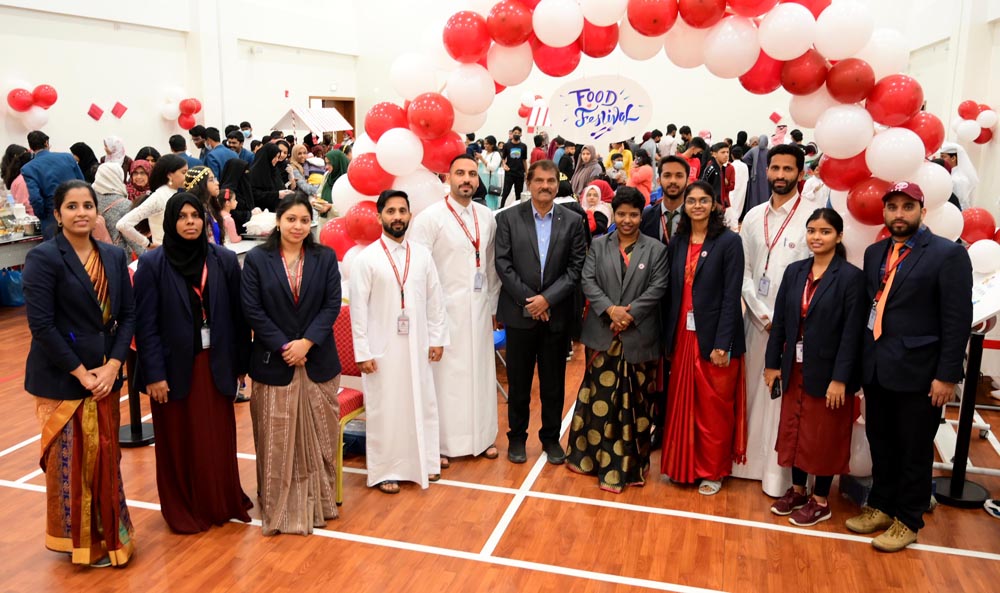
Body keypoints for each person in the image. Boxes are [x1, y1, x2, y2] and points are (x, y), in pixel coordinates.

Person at [845, 181, 973, 552]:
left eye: (907, 207)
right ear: (884, 212)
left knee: (914, 449)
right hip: (878, 368)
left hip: (921, 372)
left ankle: (908, 519)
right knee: (881, 442)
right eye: (893, 207)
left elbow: (956, 319)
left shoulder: (947, 255)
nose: (899, 214)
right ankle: (882, 506)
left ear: (922, 211)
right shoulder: (875, 253)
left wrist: (947, 375)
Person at [22, 180, 136, 567]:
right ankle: (80, 544)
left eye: (88, 205)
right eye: (72, 206)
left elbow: (128, 316)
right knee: (72, 466)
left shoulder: (113, 256)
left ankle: (111, 536)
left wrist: (113, 365)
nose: (82, 212)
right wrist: (82, 373)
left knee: (106, 458)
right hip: (63, 380)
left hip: (106, 377)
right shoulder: (44, 258)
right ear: (57, 214)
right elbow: (41, 325)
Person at [133, 192, 253, 534]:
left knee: (215, 438)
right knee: (179, 441)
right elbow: (146, 324)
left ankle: (221, 500)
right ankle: (185, 505)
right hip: (172, 372)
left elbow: (238, 317)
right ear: (171, 221)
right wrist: (154, 374)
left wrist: (239, 365)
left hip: (215, 365)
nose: (190, 222)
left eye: (196, 216)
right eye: (182, 216)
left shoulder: (223, 260)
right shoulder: (153, 264)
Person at [241, 192, 344, 533]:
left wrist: (306, 343)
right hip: (275, 361)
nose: (297, 226)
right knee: (276, 440)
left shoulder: (325, 257)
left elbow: (331, 305)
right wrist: (287, 346)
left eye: (303, 220)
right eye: (291, 219)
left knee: (322, 438)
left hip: (318, 361)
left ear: (310, 223)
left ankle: (321, 502)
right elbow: (252, 309)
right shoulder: (257, 259)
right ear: (278, 221)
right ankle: (279, 506)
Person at [763, 208, 865, 526]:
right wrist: (772, 365)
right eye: (811, 231)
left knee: (824, 436)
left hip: (830, 373)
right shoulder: (795, 272)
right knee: (795, 429)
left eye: (824, 231)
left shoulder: (851, 278)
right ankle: (797, 490)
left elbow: (852, 334)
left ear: (839, 236)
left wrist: (840, 380)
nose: (816, 237)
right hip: (794, 367)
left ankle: (820, 500)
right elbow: (780, 322)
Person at [565, 186, 668, 492]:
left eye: (633, 214)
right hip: (601, 334)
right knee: (597, 399)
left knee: (635, 404)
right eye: (621, 213)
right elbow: (588, 280)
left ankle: (630, 466)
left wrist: (628, 314)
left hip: (639, 337)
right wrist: (610, 310)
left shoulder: (656, 250)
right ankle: (590, 460)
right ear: (615, 213)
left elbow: (658, 287)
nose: (627, 220)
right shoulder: (598, 246)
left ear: (641, 215)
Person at [350, 189, 448, 493]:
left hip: (418, 345)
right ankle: (385, 470)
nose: (397, 217)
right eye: (390, 211)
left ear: (410, 215)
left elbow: (435, 301)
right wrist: (363, 352)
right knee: (385, 409)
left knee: (424, 403)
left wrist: (437, 338)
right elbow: (357, 311)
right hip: (382, 350)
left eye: (402, 211)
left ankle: (426, 463)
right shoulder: (366, 259)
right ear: (379, 216)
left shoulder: (422, 255)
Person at [409, 155, 501, 465]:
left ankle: (483, 437)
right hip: (442, 312)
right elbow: (417, 272)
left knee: (481, 375)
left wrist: (493, 307)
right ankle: (443, 444)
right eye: (460, 173)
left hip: (478, 310)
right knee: (446, 379)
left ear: (478, 179)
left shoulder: (487, 216)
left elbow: (489, 266)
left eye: (472, 174)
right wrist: (424, 315)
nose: (466, 179)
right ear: (447, 178)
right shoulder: (428, 218)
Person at [732, 144, 813, 497]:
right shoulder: (752, 216)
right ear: (766, 171)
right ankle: (744, 463)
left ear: (801, 172)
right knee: (751, 391)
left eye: (788, 169)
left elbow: (815, 275)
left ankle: (778, 477)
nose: (780, 175)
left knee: (784, 401)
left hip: (796, 326)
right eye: (775, 168)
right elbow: (744, 272)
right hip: (755, 320)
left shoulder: (813, 216)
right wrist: (763, 315)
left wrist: (784, 321)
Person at [495, 160, 586, 464]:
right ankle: (517, 439)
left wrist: (547, 300)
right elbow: (503, 265)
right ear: (529, 184)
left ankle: (550, 439)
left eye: (551, 181)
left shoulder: (572, 221)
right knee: (519, 384)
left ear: (557, 184)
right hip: (520, 315)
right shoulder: (507, 218)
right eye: (539, 181)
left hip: (556, 316)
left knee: (553, 384)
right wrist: (530, 301)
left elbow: (576, 269)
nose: (545, 186)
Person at [661, 181, 747, 496]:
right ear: (684, 205)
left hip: (714, 339)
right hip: (683, 336)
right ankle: (682, 467)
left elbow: (730, 295)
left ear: (714, 205)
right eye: (691, 200)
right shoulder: (679, 241)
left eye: (703, 200)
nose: (697, 205)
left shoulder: (728, 242)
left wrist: (723, 344)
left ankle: (712, 470)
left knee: (713, 410)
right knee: (682, 406)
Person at [116, 154, 188, 253]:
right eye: (184, 172)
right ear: (170, 175)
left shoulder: (175, 193)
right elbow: (123, 224)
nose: (187, 176)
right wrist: (146, 244)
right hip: (164, 255)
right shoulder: (159, 197)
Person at [21, 131, 85, 238]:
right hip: (77, 212)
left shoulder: (28, 168)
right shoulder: (68, 157)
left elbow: (35, 198)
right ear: (46, 143)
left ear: (30, 147)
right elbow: (82, 183)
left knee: (54, 252)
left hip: (51, 217)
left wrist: (43, 215)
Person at [92, 162, 131, 250]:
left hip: (91, 252)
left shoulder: (88, 198)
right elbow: (132, 238)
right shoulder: (124, 204)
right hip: (117, 254)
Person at [183, 166, 225, 244]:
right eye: (211, 180)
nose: (217, 183)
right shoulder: (197, 211)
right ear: (201, 185)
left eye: (215, 179)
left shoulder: (210, 207)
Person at [249, 143, 293, 211]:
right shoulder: (254, 173)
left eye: (278, 157)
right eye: (274, 157)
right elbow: (255, 195)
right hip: (262, 211)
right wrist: (277, 195)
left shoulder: (274, 170)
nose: (276, 160)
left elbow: (279, 186)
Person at [220, 158, 255, 233]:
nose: (247, 174)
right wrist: (249, 214)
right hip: (234, 230)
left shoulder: (243, 187)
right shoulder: (227, 191)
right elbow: (230, 212)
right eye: (244, 172)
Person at [939, 142, 978, 209]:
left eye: (943, 157)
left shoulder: (959, 179)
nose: (940, 160)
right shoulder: (949, 174)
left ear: (953, 158)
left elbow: (961, 204)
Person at [499, 127, 528, 208]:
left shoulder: (523, 146)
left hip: (520, 173)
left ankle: (518, 209)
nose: (517, 134)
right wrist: (504, 165)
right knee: (505, 193)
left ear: (521, 134)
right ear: (512, 133)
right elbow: (503, 158)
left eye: (519, 133)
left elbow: (524, 160)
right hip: (509, 173)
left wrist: (527, 172)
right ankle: (501, 207)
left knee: (519, 194)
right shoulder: (507, 145)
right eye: (515, 133)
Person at [742, 135, 771, 216]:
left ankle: (754, 211)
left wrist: (751, 164)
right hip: (766, 176)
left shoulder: (753, 150)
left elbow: (744, 158)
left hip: (755, 176)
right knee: (765, 193)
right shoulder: (769, 151)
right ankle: (765, 211)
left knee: (754, 194)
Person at [476, 135, 503, 210]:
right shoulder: (484, 152)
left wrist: (482, 158)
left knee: (489, 197)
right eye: (484, 143)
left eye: (487, 144)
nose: (485, 145)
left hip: (490, 179)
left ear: (492, 145)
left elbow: (492, 168)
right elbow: (479, 164)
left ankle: (490, 211)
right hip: (481, 177)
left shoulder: (496, 154)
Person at [726, 146, 749, 230]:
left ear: (731, 155)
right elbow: (747, 179)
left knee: (731, 207)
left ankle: (732, 226)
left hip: (732, 190)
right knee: (738, 207)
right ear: (742, 155)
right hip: (742, 189)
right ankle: (734, 226)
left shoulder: (730, 166)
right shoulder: (745, 166)